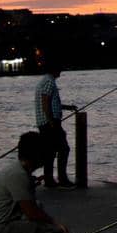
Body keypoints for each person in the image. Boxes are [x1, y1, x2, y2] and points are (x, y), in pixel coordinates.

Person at [33, 60, 76, 188]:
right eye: (59, 69)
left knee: (50, 151)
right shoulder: (49, 82)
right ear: (54, 70)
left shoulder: (45, 81)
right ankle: (62, 179)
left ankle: (49, 180)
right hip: (50, 123)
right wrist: (51, 121)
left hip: (45, 123)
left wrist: (68, 107)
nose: (61, 72)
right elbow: (45, 102)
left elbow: (51, 103)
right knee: (63, 148)